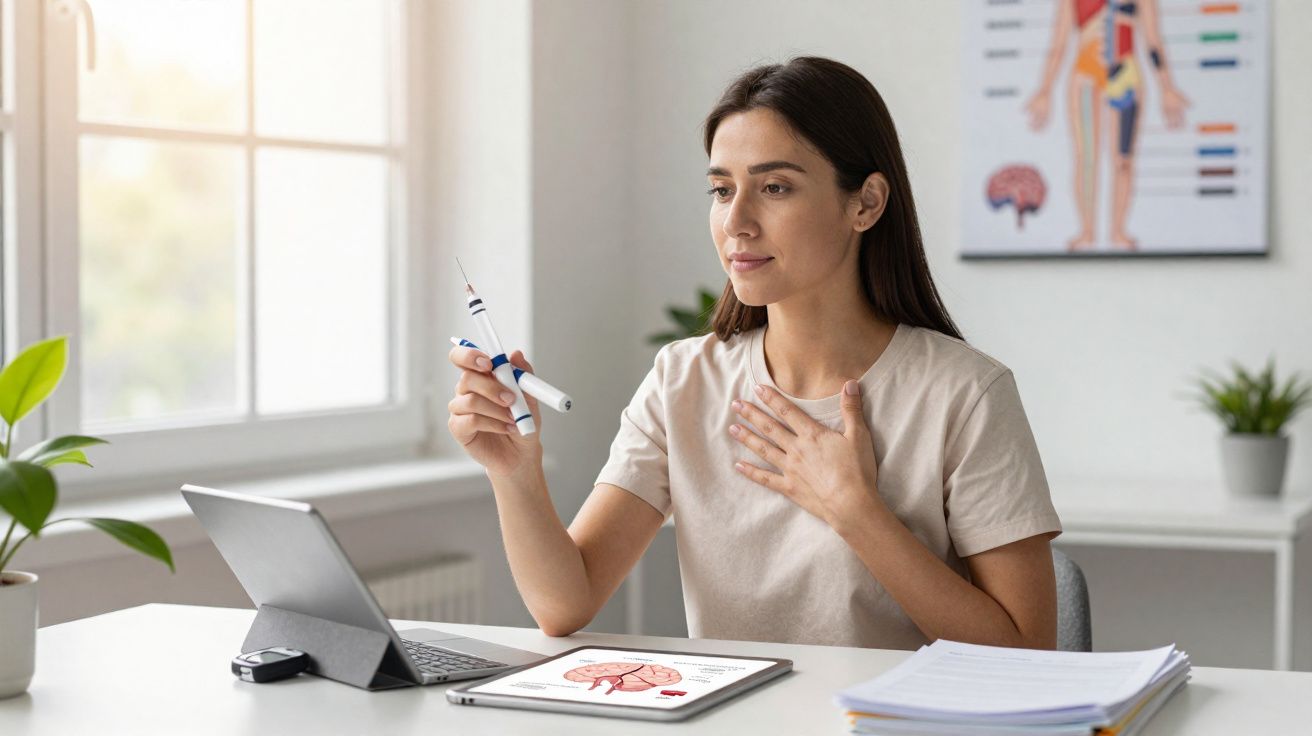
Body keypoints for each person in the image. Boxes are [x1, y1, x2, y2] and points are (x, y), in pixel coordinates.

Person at [447, 56, 1063, 650]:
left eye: (774, 187)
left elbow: (1028, 654)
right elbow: (564, 604)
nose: (736, 221)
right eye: (720, 190)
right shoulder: (682, 379)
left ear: (866, 204)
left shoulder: (965, 394)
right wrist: (515, 472)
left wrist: (857, 514)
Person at [1026, 0, 1190, 251]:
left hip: (1125, 76)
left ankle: (1117, 231)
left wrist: (1167, 86)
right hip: (1085, 76)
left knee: (1123, 158)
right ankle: (1087, 231)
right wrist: (1045, 89)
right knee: (1086, 158)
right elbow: (1059, 43)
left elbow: (1152, 40)